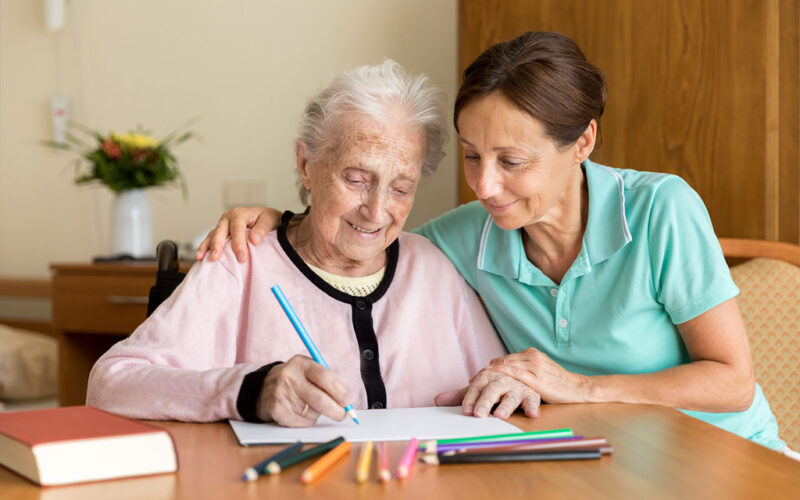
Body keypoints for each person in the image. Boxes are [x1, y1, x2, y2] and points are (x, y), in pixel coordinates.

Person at [196, 31, 789, 452]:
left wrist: (576, 386)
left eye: (511, 161)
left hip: (723, 455)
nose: (485, 185)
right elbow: (365, 242)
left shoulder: (662, 210)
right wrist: (285, 215)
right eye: (473, 156)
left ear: (582, 142)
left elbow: (732, 383)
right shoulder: (466, 235)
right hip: (595, 466)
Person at [86, 60, 510, 427]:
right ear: (306, 166)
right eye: (357, 180)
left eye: (401, 188)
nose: (376, 210)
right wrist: (250, 389)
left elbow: (502, 379)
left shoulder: (433, 268)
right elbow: (110, 383)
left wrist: (508, 387)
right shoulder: (241, 259)